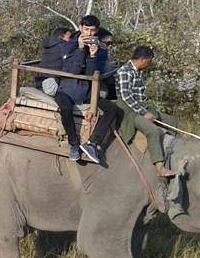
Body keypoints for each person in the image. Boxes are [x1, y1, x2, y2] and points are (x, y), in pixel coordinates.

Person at [55, 15, 118, 163]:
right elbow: (73, 72)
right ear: (80, 28)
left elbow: (91, 75)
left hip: (87, 91)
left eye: (93, 31)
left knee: (112, 108)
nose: (89, 34)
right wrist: (80, 49)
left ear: (97, 31)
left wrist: (92, 56)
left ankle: (93, 142)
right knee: (65, 107)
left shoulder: (101, 51)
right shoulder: (68, 45)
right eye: (86, 30)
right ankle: (74, 144)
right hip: (67, 89)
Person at [116, 46, 178, 177]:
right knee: (153, 130)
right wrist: (144, 113)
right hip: (128, 110)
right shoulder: (125, 71)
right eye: (149, 61)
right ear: (142, 59)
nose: (149, 64)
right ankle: (159, 166)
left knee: (172, 121)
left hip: (141, 106)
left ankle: (170, 154)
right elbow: (126, 96)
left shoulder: (137, 71)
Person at [35, 27, 71, 96]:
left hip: (41, 79)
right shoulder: (64, 46)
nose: (71, 40)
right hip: (54, 81)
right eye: (69, 37)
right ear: (61, 37)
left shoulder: (48, 45)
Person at [97, 28, 116, 100]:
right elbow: (107, 73)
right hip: (101, 91)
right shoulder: (101, 54)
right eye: (108, 43)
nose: (110, 46)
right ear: (98, 42)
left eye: (112, 43)